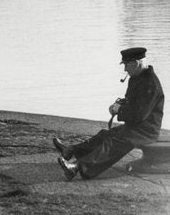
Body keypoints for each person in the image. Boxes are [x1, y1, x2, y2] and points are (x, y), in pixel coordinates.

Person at [53, 46, 163, 180]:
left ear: (135, 63)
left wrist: (119, 110)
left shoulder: (150, 83)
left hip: (147, 131)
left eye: (126, 65)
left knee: (114, 143)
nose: (125, 69)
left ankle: (77, 167)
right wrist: (120, 105)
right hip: (138, 127)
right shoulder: (137, 77)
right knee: (104, 135)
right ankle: (71, 151)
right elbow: (134, 105)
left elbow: (139, 115)